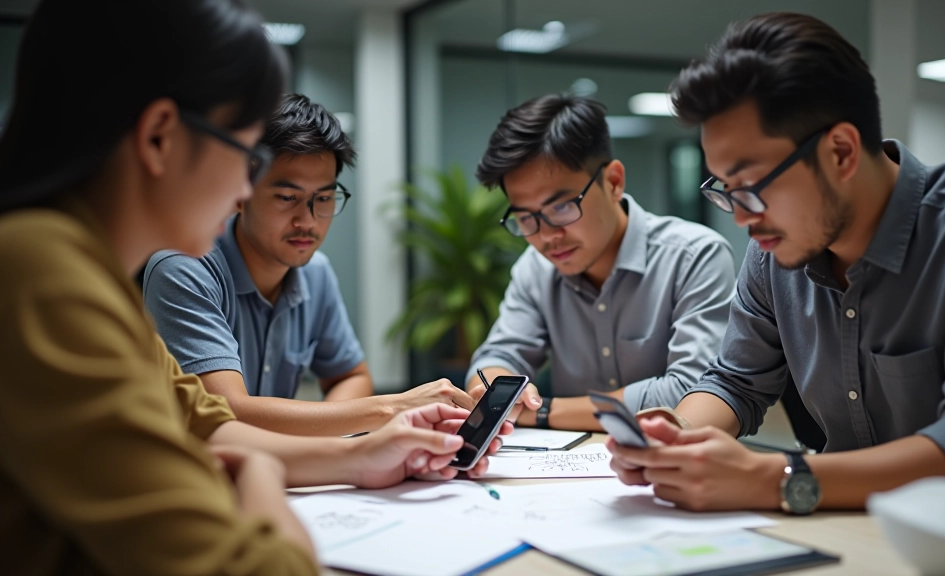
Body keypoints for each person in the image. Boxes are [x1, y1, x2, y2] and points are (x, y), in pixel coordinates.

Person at [0, 1, 503, 574]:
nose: (244, 190)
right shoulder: (41, 272)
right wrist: (260, 472)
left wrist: (363, 456)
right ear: (161, 137)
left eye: (321, 198)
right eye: (244, 155)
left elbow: (205, 423)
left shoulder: (86, 271)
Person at [608, 12, 945, 511]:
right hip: (846, 530)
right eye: (727, 191)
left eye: (753, 188)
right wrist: (677, 436)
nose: (742, 218)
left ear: (842, 152)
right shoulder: (776, 249)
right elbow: (735, 380)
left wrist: (772, 477)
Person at [143, 93, 474, 437]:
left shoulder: (315, 272)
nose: (309, 221)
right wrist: (389, 409)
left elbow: (352, 377)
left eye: (325, 198)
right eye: (288, 198)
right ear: (240, 192)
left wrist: (317, 435)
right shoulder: (185, 268)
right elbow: (225, 412)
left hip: (275, 474)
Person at [466, 94, 736, 431]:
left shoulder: (694, 256)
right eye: (525, 218)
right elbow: (497, 358)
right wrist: (497, 385)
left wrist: (542, 411)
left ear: (613, 182)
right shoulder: (535, 268)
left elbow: (692, 394)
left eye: (561, 208)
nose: (547, 236)